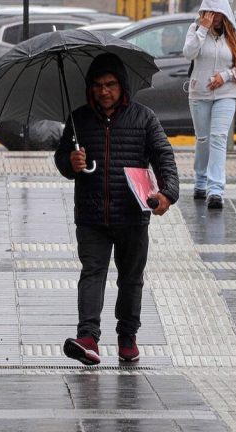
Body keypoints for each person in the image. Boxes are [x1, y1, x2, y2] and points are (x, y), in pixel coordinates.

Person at [54, 53, 180, 366]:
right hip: (91, 214)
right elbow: (62, 159)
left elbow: (163, 156)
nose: (104, 91)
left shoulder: (144, 118)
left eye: (110, 84)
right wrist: (71, 162)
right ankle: (87, 338)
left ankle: (127, 337)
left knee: (130, 278)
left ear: (122, 87)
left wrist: (167, 194)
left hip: (132, 215)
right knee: (92, 273)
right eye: (97, 85)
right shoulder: (78, 120)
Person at [183, 0, 236, 209]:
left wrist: (225, 76)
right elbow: (188, 53)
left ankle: (216, 190)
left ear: (224, 13)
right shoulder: (195, 29)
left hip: (226, 93)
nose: (214, 16)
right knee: (203, 139)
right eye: (210, 12)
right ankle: (200, 181)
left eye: (218, 13)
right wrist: (203, 29)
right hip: (199, 93)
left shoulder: (235, 33)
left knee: (218, 138)